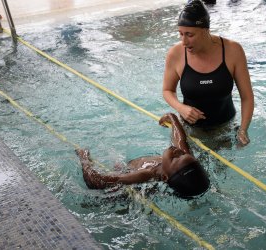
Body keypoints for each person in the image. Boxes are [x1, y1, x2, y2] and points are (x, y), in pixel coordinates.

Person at [162, 0, 254, 147]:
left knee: (219, 169)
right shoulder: (176, 53)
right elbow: (167, 90)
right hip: (190, 130)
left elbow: (247, 97)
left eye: (189, 35)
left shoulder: (233, 51)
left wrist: (243, 130)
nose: (184, 41)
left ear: (206, 30)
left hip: (225, 128)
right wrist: (181, 108)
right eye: (180, 34)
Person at [76, 113, 210, 198]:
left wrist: (84, 159)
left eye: (176, 157)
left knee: (115, 192)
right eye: (183, 153)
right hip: (130, 167)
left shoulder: (145, 175)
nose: (178, 151)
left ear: (164, 177)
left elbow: (97, 181)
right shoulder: (183, 160)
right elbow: (180, 139)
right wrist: (173, 118)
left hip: (128, 174)